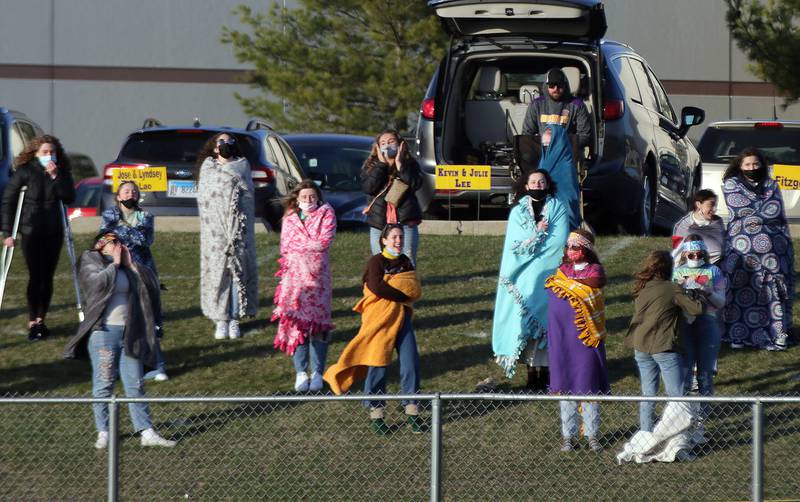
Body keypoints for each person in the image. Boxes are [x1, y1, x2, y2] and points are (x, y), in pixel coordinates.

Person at [63, 232, 175, 449]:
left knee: (135, 384)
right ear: (100, 244)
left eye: (120, 243)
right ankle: (103, 431)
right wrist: (114, 264)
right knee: (104, 383)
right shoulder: (90, 260)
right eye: (114, 242)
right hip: (104, 333)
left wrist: (131, 265)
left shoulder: (127, 266)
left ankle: (146, 431)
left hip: (130, 333)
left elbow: (151, 285)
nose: (119, 246)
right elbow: (96, 285)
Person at [324, 224, 423, 435]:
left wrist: (397, 291)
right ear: (384, 240)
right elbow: (376, 287)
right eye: (394, 237)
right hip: (380, 318)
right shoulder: (376, 261)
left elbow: (414, 288)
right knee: (377, 362)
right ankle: (376, 413)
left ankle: (412, 409)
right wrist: (401, 295)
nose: (398, 241)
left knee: (411, 362)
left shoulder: (406, 261)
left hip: (402, 318)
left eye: (401, 237)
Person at [492, 169, 569, 390]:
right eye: (533, 182)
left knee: (547, 324)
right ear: (526, 186)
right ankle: (531, 374)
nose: (537, 185)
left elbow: (558, 242)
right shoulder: (517, 212)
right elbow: (514, 245)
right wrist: (537, 233)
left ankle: (547, 374)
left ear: (548, 184)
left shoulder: (558, 208)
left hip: (549, 275)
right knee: (525, 325)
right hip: (523, 278)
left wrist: (536, 247)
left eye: (541, 181)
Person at [1, 134, 75, 340]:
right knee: (36, 275)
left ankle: (41, 319)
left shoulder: (62, 172)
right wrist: (8, 232)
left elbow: (69, 197)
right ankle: (32, 320)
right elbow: (8, 201)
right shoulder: (24, 172)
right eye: (45, 152)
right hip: (31, 231)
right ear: (35, 153)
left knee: (47, 276)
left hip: (53, 231)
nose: (49, 155)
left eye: (52, 152)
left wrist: (55, 177)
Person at [720, 148, 794, 351]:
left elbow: (775, 210)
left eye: (755, 164)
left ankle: (777, 334)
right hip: (741, 247)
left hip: (773, 246)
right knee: (740, 286)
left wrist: (754, 217)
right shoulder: (732, 184)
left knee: (773, 288)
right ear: (740, 166)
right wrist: (760, 214)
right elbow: (739, 209)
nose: (752, 168)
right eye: (747, 164)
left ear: (762, 165)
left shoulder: (771, 184)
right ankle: (737, 334)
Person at [625, 250, 705, 432]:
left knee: (648, 394)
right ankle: (677, 435)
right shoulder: (671, 288)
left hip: (640, 346)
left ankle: (645, 433)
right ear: (669, 268)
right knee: (676, 395)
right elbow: (696, 309)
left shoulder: (642, 287)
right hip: (663, 346)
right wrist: (699, 294)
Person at [544, 229, 608, 453]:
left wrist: (573, 282)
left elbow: (596, 282)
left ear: (586, 249)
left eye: (575, 247)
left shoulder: (595, 270)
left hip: (585, 340)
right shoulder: (561, 271)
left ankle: (592, 435)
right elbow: (554, 290)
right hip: (562, 340)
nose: (570, 251)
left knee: (588, 386)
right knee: (565, 387)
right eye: (568, 247)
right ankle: (568, 436)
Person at [99, 180, 168, 382]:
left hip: (142, 271)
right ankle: (117, 367)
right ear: (118, 196)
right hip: (117, 271)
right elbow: (105, 238)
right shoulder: (109, 214)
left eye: (134, 192)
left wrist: (121, 230)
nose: (130, 194)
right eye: (126, 191)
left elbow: (145, 240)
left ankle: (156, 366)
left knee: (147, 318)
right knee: (119, 318)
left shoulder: (146, 216)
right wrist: (129, 231)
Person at [272, 180, 337, 392]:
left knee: (318, 326)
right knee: (297, 325)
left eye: (312, 196)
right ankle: (301, 372)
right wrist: (308, 245)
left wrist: (300, 246)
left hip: (318, 280)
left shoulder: (327, 213)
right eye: (304, 197)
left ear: (318, 197)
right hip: (294, 280)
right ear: (297, 199)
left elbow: (324, 242)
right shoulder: (290, 218)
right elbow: (285, 246)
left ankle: (317, 372)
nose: (309, 200)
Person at [197, 133, 258, 340]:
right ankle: (220, 318)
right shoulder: (208, 169)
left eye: (230, 141)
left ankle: (234, 319)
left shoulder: (242, 167)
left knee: (236, 273)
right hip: (215, 232)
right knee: (218, 273)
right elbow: (205, 198)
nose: (226, 144)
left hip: (238, 229)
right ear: (215, 148)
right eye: (221, 141)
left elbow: (248, 196)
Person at [672, 235, 725, 421]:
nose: (695, 258)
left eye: (699, 254)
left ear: (704, 253)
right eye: (691, 255)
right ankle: (683, 415)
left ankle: (704, 415)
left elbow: (721, 302)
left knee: (705, 373)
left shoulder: (714, 271)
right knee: (685, 373)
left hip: (708, 324)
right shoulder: (677, 272)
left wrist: (708, 291)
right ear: (685, 254)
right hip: (685, 325)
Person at [361, 130, 424, 265]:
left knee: (407, 260)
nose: (387, 145)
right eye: (383, 143)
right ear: (377, 147)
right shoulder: (371, 166)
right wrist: (382, 165)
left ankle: (405, 279)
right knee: (380, 261)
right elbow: (369, 188)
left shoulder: (410, 164)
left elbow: (415, 184)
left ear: (400, 144)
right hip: (379, 223)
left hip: (405, 221)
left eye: (391, 142)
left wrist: (400, 165)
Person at [522, 68, 592, 153]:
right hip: (543, 153)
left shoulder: (577, 105)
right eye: (552, 85)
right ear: (546, 86)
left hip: (568, 152)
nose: (556, 89)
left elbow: (584, 135)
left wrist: (562, 144)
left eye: (559, 85)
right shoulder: (536, 104)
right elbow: (527, 134)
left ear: (565, 86)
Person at [538, 125, 581, 229]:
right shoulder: (543, 163)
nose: (546, 148)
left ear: (558, 145)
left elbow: (568, 198)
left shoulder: (566, 167)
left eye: (549, 145)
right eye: (544, 145)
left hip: (562, 219)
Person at [671, 189, 725, 265]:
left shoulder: (717, 222)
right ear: (698, 204)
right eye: (710, 205)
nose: (714, 209)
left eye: (715, 205)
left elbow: (723, 246)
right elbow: (677, 254)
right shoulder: (682, 226)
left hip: (716, 266)